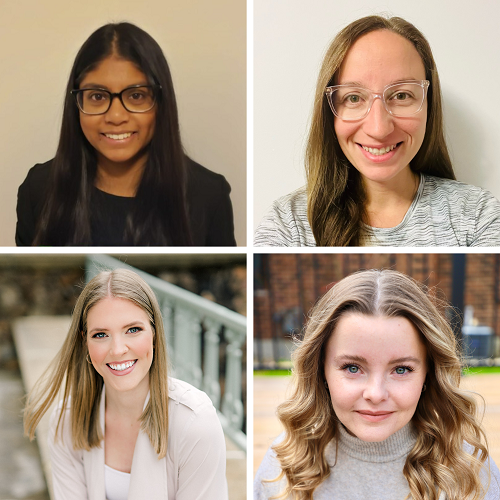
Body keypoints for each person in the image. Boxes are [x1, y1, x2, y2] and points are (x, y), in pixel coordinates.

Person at [254, 15, 500, 247]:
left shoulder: (477, 215)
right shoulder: (288, 225)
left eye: (401, 95)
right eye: (353, 98)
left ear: (429, 105)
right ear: (329, 113)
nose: (379, 128)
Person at [254, 269, 500, 499]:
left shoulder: (471, 471)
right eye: (352, 368)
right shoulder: (281, 467)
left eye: (401, 369)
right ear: (321, 371)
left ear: (428, 374)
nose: (375, 393)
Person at [16, 22, 235, 246]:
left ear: (161, 102)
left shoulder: (209, 196)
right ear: (76, 103)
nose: (116, 116)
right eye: (98, 97)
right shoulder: (38, 188)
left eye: (137, 95)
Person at [24, 268, 228, 500]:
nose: (118, 349)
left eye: (133, 330)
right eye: (101, 334)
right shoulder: (67, 421)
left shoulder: (194, 421)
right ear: (85, 344)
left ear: (154, 334)